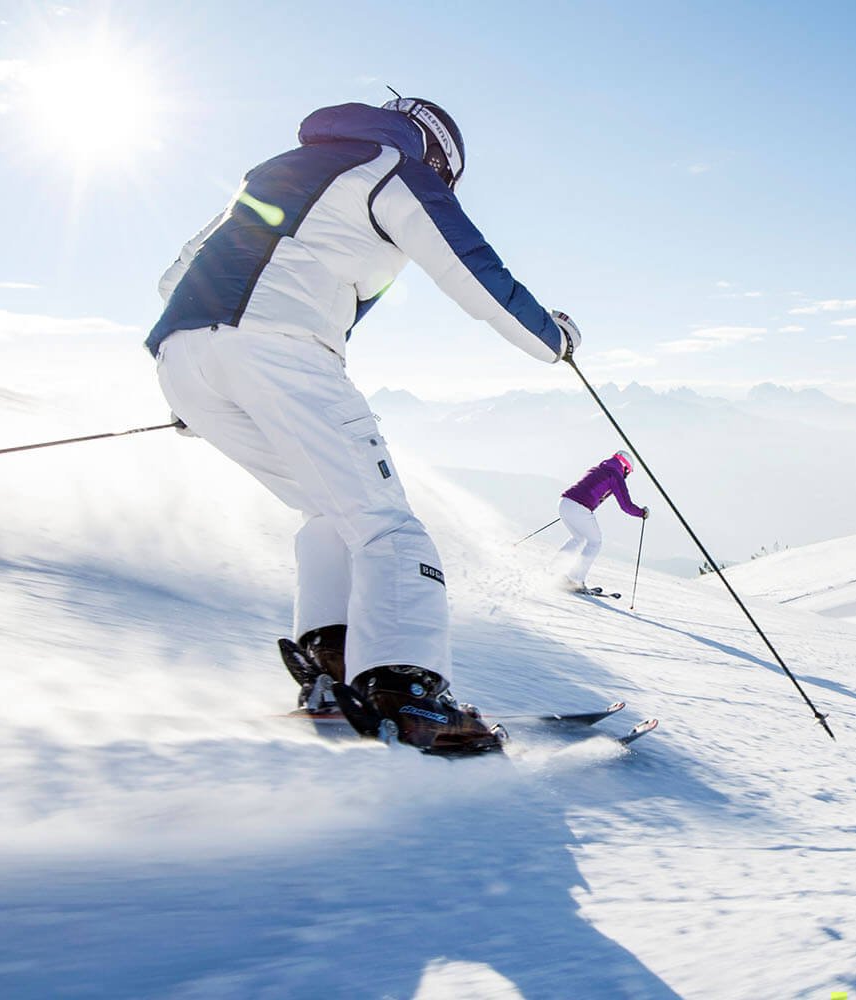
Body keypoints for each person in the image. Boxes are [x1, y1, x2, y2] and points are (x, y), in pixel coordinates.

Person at [148, 97, 582, 754]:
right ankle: (409, 698)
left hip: (183, 354)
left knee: (330, 512)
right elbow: (472, 269)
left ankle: (333, 670)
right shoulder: (393, 169)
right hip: (281, 351)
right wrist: (553, 338)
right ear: (436, 155)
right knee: (386, 524)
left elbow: (177, 272)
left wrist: (205, 373)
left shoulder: (276, 170)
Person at [555, 451, 649, 592]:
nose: (626, 476)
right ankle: (574, 580)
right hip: (578, 508)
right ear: (624, 467)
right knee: (595, 542)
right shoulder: (615, 474)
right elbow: (626, 505)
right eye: (627, 473)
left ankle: (552, 571)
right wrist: (642, 512)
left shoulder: (599, 469)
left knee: (578, 538)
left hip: (564, 503)